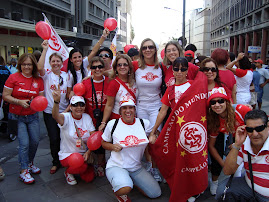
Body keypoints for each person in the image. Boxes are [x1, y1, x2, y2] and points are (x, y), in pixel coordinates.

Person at [102, 98, 161, 201]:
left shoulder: (144, 123)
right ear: (120, 111)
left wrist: (153, 135)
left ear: (135, 110)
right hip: (117, 166)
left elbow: (155, 134)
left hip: (136, 168)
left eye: (131, 108)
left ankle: (130, 181)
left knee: (155, 193)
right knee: (124, 188)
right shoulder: (113, 124)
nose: (128, 111)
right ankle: (120, 190)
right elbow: (103, 143)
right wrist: (112, 147)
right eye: (124, 108)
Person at [3, 53, 44, 184]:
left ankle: (30, 163)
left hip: (32, 116)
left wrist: (35, 101)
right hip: (17, 116)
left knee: (35, 142)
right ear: (20, 64)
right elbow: (5, 96)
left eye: (29, 64)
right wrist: (19, 102)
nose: (27, 67)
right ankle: (23, 170)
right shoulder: (13, 77)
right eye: (24, 64)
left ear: (33, 66)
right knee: (24, 144)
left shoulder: (38, 80)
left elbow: (41, 98)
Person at [216, 109, 269, 201]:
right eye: (250, 129)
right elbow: (227, 171)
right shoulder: (244, 143)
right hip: (249, 187)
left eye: (259, 128)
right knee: (222, 190)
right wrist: (237, 145)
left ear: (267, 127)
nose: (255, 134)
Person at [207, 87, 251, 195]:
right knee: (226, 186)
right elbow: (211, 146)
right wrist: (223, 164)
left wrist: (242, 143)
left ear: (227, 102)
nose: (217, 105)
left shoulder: (241, 110)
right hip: (235, 151)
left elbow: (259, 128)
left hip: (249, 149)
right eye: (213, 102)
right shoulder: (214, 120)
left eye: (221, 101)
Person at [132, 38, 163, 181]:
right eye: (144, 48)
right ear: (141, 51)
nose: (148, 50)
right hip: (141, 106)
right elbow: (115, 69)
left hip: (156, 106)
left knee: (155, 138)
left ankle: (156, 168)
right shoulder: (135, 65)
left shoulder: (162, 67)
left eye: (151, 47)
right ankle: (149, 164)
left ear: (155, 50)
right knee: (143, 139)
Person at [38, 40, 69, 174]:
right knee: (54, 138)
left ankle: (65, 160)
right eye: (53, 61)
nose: (56, 63)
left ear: (62, 63)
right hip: (49, 112)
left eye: (58, 61)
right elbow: (39, 68)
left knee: (65, 138)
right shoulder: (46, 76)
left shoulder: (67, 75)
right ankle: (55, 162)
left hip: (64, 112)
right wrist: (45, 50)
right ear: (50, 63)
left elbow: (68, 93)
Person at [52, 93, 96, 185]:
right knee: (79, 164)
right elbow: (55, 116)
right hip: (68, 154)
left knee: (89, 178)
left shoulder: (87, 117)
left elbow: (94, 137)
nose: (78, 108)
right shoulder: (66, 117)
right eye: (75, 105)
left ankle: (82, 167)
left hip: (83, 154)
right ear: (70, 107)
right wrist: (56, 102)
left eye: (81, 105)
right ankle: (68, 172)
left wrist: (89, 152)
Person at [149, 57, 192, 141]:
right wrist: (153, 131)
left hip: (191, 126)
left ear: (187, 71)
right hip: (176, 127)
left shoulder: (193, 85)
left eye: (183, 69)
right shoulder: (170, 90)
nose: (179, 72)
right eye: (176, 69)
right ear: (173, 70)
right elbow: (163, 112)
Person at [82, 56, 110, 176]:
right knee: (91, 141)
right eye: (94, 67)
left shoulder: (109, 81)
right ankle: (92, 163)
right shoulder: (85, 82)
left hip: (105, 117)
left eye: (100, 66)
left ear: (104, 68)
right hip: (90, 117)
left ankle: (101, 164)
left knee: (103, 142)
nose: (97, 69)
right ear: (90, 68)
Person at [67, 28, 110, 98]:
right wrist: (73, 92)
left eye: (79, 57)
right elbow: (68, 94)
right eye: (75, 58)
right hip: (78, 101)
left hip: (88, 96)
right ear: (71, 60)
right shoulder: (70, 74)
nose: (78, 59)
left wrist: (103, 37)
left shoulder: (84, 63)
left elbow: (93, 51)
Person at [99, 54, 136, 130]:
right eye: (119, 65)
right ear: (115, 68)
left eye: (125, 65)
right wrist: (103, 123)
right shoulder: (113, 83)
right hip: (118, 119)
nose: (122, 67)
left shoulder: (135, 81)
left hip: (133, 119)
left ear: (129, 67)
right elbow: (109, 105)